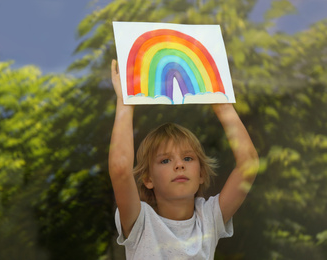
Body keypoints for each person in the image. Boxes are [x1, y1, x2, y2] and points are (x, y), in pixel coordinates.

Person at [108, 59, 259, 259]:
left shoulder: (208, 219)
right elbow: (120, 169)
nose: (179, 165)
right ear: (148, 179)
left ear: (201, 174)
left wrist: (222, 102)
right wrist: (125, 103)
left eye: (188, 158)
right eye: (165, 160)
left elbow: (249, 165)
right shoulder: (140, 221)